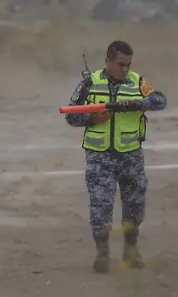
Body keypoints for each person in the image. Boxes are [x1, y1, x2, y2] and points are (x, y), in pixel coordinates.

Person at [64, 40, 167, 273]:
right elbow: (71, 115)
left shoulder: (137, 82)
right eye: (121, 64)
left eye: (128, 65)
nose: (125, 70)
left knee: (134, 205)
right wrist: (93, 118)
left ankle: (131, 250)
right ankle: (102, 253)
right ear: (108, 61)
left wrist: (140, 103)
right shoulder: (90, 83)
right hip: (99, 157)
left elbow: (160, 100)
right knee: (100, 206)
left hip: (131, 156)